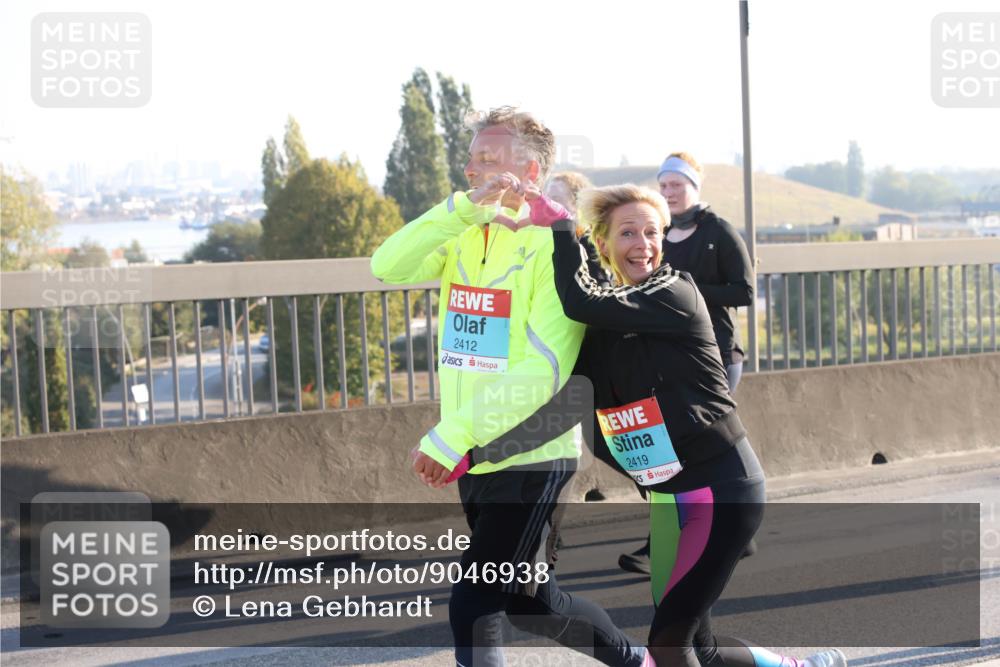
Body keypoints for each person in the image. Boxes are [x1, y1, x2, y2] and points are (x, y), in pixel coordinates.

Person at [516, 182, 846, 667]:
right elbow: (571, 378)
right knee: (698, 648)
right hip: (669, 499)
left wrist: (563, 228)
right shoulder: (609, 318)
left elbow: (579, 302)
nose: (643, 244)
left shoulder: (674, 292)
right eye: (627, 233)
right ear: (603, 243)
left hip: (721, 488)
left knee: (668, 645)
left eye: (652, 232)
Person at [370, 107, 648, 667]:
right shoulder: (466, 232)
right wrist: (455, 212)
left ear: (531, 172)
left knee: (474, 601)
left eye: (488, 160)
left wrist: (450, 436)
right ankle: (637, 662)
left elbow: (540, 371)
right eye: (471, 159)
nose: (471, 170)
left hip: (532, 452)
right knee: (533, 604)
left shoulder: (558, 249)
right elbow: (387, 265)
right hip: (480, 453)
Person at [617, 153, 756, 576]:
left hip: (716, 357)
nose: (669, 191)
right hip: (666, 360)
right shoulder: (656, 237)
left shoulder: (718, 232)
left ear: (694, 186)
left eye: (677, 184)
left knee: (693, 450)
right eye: (664, 184)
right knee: (679, 451)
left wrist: (688, 296)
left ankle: (668, 544)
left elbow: (745, 291)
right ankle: (734, 533)